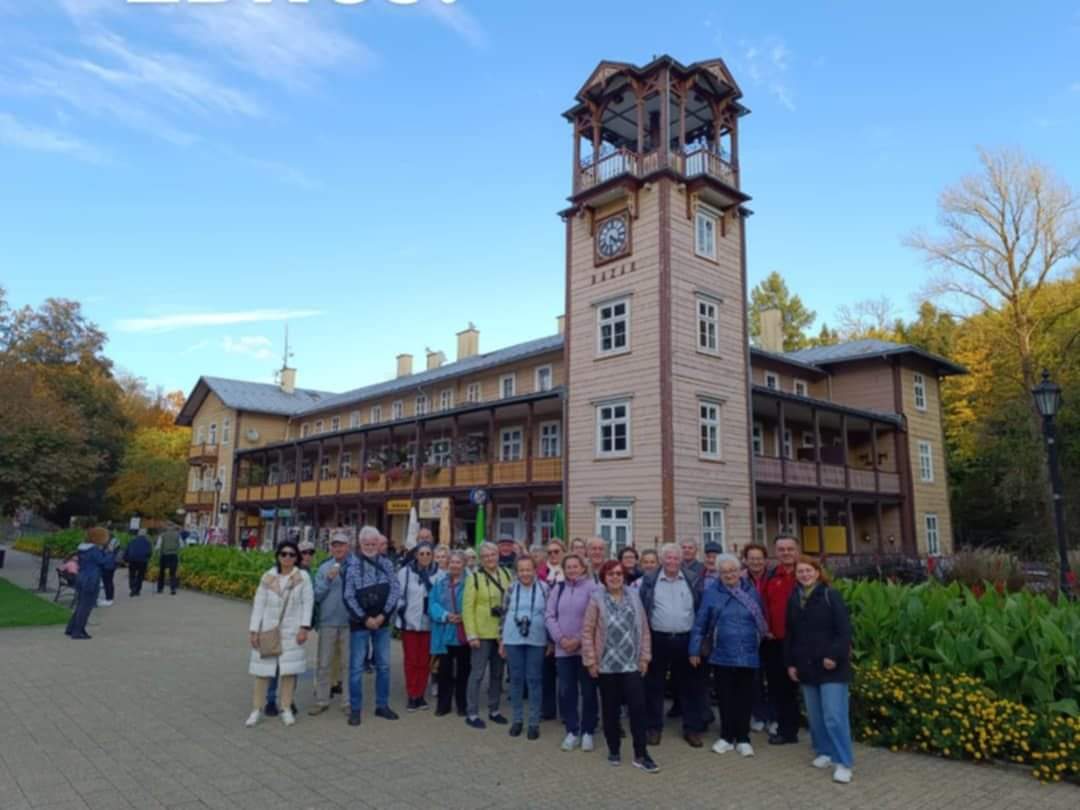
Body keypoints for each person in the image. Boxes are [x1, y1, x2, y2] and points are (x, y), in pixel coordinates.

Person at [582, 560, 658, 773]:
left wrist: (645, 657)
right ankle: (613, 749)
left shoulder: (634, 596)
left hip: (631, 663)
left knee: (638, 710)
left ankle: (641, 754)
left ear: (623, 576)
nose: (615, 577)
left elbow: (644, 628)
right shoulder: (596, 599)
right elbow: (587, 631)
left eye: (618, 573)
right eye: (610, 574)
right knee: (610, 710)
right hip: (606, 665)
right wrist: (590, 661)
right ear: (604, 578)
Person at [690, 553, 768, 758]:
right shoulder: (711, 593)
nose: (729, 575)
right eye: (724, 572)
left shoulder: (751, 591)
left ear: (739, 571)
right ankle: (726, 737)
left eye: (732, 570)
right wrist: (694, 649)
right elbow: (701, 622)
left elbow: (762, 619)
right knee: (725, 697)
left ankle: (743, 738)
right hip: (721, 653)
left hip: (748, 653)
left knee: (745, 697)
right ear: (719, 574)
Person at [785, 556, 854, 784]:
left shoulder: (830, 595)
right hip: (806, 665)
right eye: (800, 571)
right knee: (815, 717)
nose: (804, 575)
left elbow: (844, 630)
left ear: (817, 572)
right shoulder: (794, 598)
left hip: (831, 666)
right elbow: (790, 634)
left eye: (808, 570)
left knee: (834, 716)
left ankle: (843, 762)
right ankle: (824, 751)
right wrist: (790, 663)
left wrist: (834, 655)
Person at [637, 543, 708, 748]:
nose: (672, 562)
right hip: (657, 638)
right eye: (668, 558)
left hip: (686, 638)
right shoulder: (650, 580)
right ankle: (653, 728)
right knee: (654, 685)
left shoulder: (693, 579)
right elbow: (642, 610)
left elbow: (700, 609)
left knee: (690, 685)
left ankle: (692, 729)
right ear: (661, 559)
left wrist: (698, 641)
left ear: (681, 560)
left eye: (676, 558)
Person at [245, 540, 314, 728]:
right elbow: (258, 604)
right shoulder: (268, 576)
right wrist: (254, 631)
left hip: (292, 631)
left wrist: (304, 628)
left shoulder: (302, 577)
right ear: (277, 556)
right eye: (284, 554)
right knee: (262, 672)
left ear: (296, 557)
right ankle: (256, 709)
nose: (287, 557)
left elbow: (308, 603)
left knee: (288, 672)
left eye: (292, 554)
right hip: (268, 630)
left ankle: (286, 708)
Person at [343, 526, 402, 726]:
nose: (370, 547)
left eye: (373, 543)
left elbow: (395, 589)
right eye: (366, 544)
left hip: (382, 622)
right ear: (360, 544)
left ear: (379, 544)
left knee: (384, 666)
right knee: (356, 668)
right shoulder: (352, 565)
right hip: (360, 623)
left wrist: (383, 615)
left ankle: (382, 705)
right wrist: (364, 618)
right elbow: (348, 595)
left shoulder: (387, 564)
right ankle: (355, 709)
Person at [544, 553, 599, 752]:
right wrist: (561, 640)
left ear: (583, 568)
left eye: (576, 566)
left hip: (585, 649)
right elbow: (549, 615)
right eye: (568, 567)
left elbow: (595, 617)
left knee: (589, 692)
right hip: (563, 650)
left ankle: (588, 731)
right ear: (564, 570)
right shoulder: (558, 588)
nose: (572, 570)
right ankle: (572, 730)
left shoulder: (593, 588)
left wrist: (578, 640)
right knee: (567, 691)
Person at [462, 542, 513, 729]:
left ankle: (494, 710)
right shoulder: (474, 578)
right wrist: (471, 634)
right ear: (481, 559)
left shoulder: (507, 574)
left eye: (492, 555)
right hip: (481, 633)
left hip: (501, 633)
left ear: (498, 555)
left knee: (497, 674)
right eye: (485, 556)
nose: (490, 558)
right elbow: (467, 608)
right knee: (477, 674)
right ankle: (472, 712)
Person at [499, 556, 550, 740]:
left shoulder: (545, 588)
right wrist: (501, 640)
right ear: (517, 572)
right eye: (521, 570)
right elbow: (503, 614)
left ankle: (534, 722)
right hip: (513, 639)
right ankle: (517, 719)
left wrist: (550, 640)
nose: (525, 573)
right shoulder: (511, 588)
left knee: (534, 680)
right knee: (516, 680)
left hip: (536, 639)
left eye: (528, 569)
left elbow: (550, 614)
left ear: (535, 570)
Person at [309, 530, 352, 716]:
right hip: (328, 622)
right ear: (331, 548)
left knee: (348, 665)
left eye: (341, 545)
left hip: (350, 623)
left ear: (348, 547)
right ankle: (322, 700)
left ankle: (347, 702)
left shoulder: (355, 566)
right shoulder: (324, 568)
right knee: (324, 663)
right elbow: (317, 595)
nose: (338, 548)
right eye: (335, 545)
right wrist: (328, 579)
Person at [763, 534, 801, 745]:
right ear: (776, 552)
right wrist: (766, 628)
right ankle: (787, 731)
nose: (786, 553)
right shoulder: (771, 576)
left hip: (800, 643)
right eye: (781, 549)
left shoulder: (805, 574)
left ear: (797, 551)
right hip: (776, 642)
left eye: (790, 549)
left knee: (800, 688)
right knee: (779, 688)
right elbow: (764, 606)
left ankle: (803, 729)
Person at [429, 550, 471, 717]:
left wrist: (464, 616)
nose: (454, 565)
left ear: (464, 564)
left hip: (463, 633)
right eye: (452, 562)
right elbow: (432, 604)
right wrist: (446, 615)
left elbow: (475, 604)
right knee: (444, 672)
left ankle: (462, 704)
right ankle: (443, 705)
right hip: (444, 633)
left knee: (463, 671)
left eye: (458, 562)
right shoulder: (440, 583)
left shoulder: (470, 583)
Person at [397, 542, 438, 711]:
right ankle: (412, 694)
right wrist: (403, 613)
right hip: (410, 624)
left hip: (429, 624)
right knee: (411, 661)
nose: (425, 557)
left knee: (424, 661)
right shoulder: (405, 573)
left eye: (428, 553)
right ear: (416, 555)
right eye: (422, 553)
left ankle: (420, 694)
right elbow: (398, 595)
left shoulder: (439, 574)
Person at [741, 543, 771, 732]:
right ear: (745, 560)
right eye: (752, 558)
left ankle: (774, 717)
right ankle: (758, 714)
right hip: (750, 636)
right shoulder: (740, 579)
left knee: (775, 678)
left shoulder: (773, 577)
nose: (756, 562)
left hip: (772, 635)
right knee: (754, 678)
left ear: (765, 560)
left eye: (759, 558)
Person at [65, 527, 109, 640]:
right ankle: (78, 631)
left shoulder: (82, 548)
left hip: (81, 577)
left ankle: (71, 628)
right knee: (86, 607)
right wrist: (110, 553)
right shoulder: (94, 550)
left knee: (81, 605)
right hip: (91, 579)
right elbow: (104, 562)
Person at [125, 529, 152, 597]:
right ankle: (137, 590)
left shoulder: (132, 541)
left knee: (132, 575)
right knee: (140, 575)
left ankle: (132, 589)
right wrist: (147, 558)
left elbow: (127, 550)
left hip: (132, 560)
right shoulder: (147, 542)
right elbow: (149, 552)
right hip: (143, 561)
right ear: (145, 534)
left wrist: (126, 559)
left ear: (138, 534)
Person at [155, 526, 182, 595]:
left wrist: (156, 553)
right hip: (174, 555)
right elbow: (182, 545)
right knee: (173, 573)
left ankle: (160, 589)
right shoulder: (177, 535)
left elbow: (158, 546)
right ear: (174, 529)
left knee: (161, 572)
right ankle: (173, 589)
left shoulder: (162, 535)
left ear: (167, 529)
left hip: (164, 555)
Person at [97, 532, 120, 606]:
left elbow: (109, 552)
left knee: (107, 582)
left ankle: (109, 599)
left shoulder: (110, 543)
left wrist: (102, 548)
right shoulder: (114, 541)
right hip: (111, 564)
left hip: (108, 565)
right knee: (108, 582)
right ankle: (109, 598)